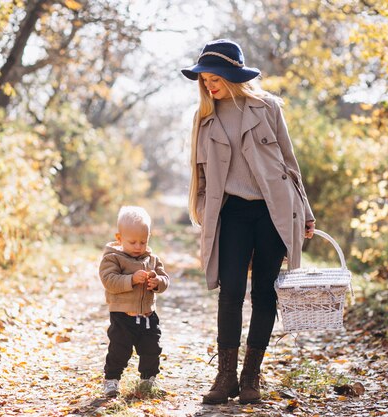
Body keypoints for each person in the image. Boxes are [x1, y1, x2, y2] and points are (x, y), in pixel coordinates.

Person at [180, 39, 316, 405]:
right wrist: (205, 208)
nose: (209, 85)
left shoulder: (267, 107)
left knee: (264, 294)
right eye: (204, 80)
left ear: (233, 76)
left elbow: (290, 163)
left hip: (272, 211)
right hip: (232, 213)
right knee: (231, 293)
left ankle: (251, 375)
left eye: (214, 78)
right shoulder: (204, 117)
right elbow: (201, 173)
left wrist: (304, 211)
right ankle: (225, 377)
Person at [98, 206, 170, 397]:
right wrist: (130, 279)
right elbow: (109, 281)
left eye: (143, 242)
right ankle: (111, 380)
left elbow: (165, 279)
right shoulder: (113, 258)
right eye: (132, 242)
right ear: (119, 238)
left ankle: (148, 380)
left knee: (152, 350)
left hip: (147, 315)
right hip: (123, 317)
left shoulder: (152, 259)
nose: (138, 247)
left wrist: (157, 282)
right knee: (119, 351)